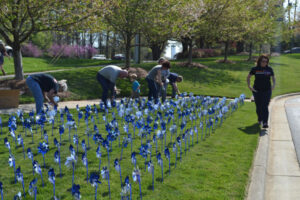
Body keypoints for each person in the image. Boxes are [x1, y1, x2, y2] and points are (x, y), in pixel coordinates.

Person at [247, 55, 276, 128]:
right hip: (257, 90)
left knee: (265, 106)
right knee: (259, 106)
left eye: (266, 61)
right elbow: (248, 77)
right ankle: (260, 118)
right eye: (263, 61)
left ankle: (265, 122)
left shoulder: (269, 69)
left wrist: (273, 85)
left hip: (267, 90)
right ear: (259, 61)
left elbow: (273, 77)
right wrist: (249, 86)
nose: (265, 63)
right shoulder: (255, 69)